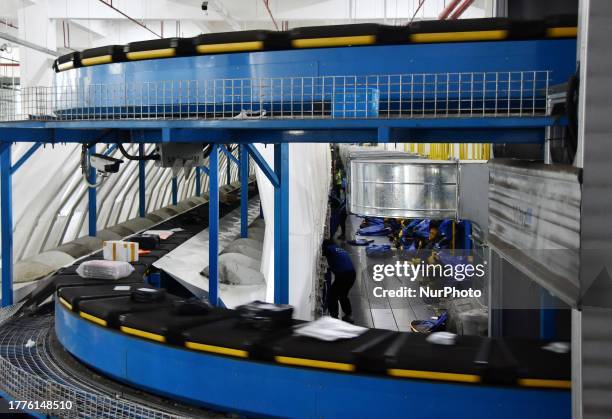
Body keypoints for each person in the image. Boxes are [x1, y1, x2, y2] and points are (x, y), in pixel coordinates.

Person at [323, 239, 356, 323]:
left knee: (332, 295)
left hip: (342, 275)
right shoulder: (340, 249)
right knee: (343, 295)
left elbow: (326, 253)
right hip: (352, 274)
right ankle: (349, 315)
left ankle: (334, 316)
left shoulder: (329, 249)